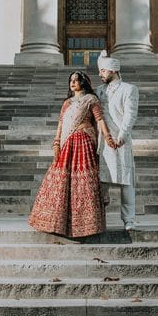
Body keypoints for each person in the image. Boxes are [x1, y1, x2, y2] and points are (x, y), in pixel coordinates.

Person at [28, 70, 118, 238]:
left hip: (84, 142)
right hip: (67, 143)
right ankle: (55, 222)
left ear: (83, 82)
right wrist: (56, 142)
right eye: (71, 80)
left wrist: (108, 137)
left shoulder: (91, 100)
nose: (73, 83)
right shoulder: (67, 103)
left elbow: (100, 119)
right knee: (60, 180)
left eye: (76, 80)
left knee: (84, 182)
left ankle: (87, 225)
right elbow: (61, 123)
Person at [96, 50, 139, 231]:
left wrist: (121, 136)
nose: (100, 74)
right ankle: (99, 218)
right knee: (100, 182)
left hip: (121, 141)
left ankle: (129, 219)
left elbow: (130, 115)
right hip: (102, 142)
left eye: (103, 71)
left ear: (113, 70)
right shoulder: (99, 91)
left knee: (126, 182)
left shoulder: (129, 89)